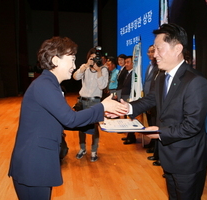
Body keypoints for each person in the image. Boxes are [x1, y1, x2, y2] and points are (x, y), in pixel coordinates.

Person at [8, 36, 127, 200]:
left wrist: (102, 114)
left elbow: (64, 120)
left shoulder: (49, 84)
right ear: (55, 60)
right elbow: (70, 119)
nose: (74, 66)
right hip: (33, 165)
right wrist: (102, 107)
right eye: (71, 60)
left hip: (37, 163)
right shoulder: (45, 85)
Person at [115, 24, 207, 199]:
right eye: (153, 50)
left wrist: (159, 132)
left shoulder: (196, 82)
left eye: (159, 49)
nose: (155, 55)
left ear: (178, 49)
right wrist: (127, 107)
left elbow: (193, 126)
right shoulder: (162, 77)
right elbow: (150, 99)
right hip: (169, 156)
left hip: (188, 160)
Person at [73, 47, 109, 162]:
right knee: (81, 126)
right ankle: (82, 148)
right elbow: (75, 77)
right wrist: (85, 66)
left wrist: (98, 71)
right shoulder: (85, 67)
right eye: (91, 57)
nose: (94, 60)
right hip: (83, 100)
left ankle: (94, 151)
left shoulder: (104, 69)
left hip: (95, 101)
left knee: (94, 128)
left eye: (96, 57)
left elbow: (102, 86)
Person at [168, 0, 207, 84]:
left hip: (204, 7)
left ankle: (201, 83)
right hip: (182, 7)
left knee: (204, 46)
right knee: (182, 45)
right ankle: (183, 82)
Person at [142, 45, 160, 166]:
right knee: (151, 124)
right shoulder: (149, 66)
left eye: (152, 51)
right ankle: (153, 146)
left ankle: (157, 153)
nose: (150, 53)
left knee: (156, 126)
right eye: (148, 51)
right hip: (148, 100)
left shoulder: (159, 67)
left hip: (155, 102)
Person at [119, 56, 136, 145]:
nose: (126, 64)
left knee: (130, 118)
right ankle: (129, 135)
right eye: (125, 62)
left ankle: (131, 137)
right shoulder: (128, 73)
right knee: (127, 117)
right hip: (124, 96)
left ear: (133, 63)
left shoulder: (134, 74)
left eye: (128, 62)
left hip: (129, 97)